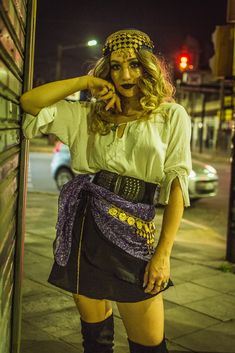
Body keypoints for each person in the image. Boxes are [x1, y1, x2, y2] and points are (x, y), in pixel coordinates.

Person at [20, 29, 192, 353]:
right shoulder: (88, 114)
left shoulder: (171, 116)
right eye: (115, 66)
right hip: (85, 230)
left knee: (150, 347)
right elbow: (29, 104)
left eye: (133, 65)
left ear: (148, 67)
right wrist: (84, 84)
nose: (125, 74)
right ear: (106, 71)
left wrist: (163, 255)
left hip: (135, 237)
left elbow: (177, 186)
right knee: (96, 343)